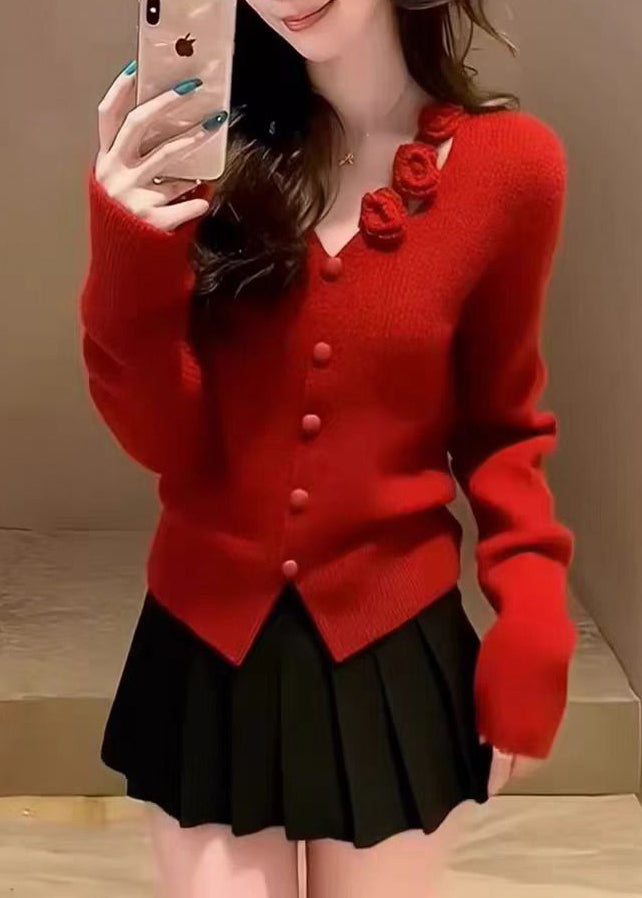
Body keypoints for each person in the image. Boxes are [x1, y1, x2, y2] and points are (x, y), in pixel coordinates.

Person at [79, 1, 578, 895]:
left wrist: (533, 612)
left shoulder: (513, 169)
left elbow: (502, 424)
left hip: (392, 642)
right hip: (206, 643)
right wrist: (127, 253)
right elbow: (162, 441)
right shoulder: (204, 153)